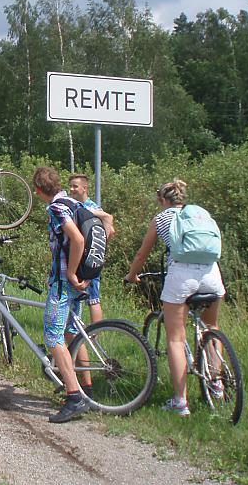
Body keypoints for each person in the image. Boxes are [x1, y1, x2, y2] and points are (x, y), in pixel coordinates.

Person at [126, 179, 226, 417]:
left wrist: (132, 275)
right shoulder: (200, 214)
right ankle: (217, 385)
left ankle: (180, 402)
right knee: (212, 327)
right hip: (211, 272)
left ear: (162, 200)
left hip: (182, 275)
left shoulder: (160, 219)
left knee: (175, 338)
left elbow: (142, 253)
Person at [33, 165, 90, 423]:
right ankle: (85, 386)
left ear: (38, 190)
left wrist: (71, 273)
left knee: (53, 336)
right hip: (81, 281)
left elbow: (78, 240)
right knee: (71, 332)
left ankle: (74, 396)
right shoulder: (74, 202)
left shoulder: (57, 208)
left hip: (63, 284)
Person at [68, 173, 115, 324]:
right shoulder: (73, 206)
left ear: (85, 188)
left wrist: (98, 247)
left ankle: (96, 335)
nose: (71, 189)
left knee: (93, 298)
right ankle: (74, 328)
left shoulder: (93, 208)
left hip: (90, 258)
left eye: (75, 186)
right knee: (76, 297)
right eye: (70, 186)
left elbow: (110, 230)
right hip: (77, 259)